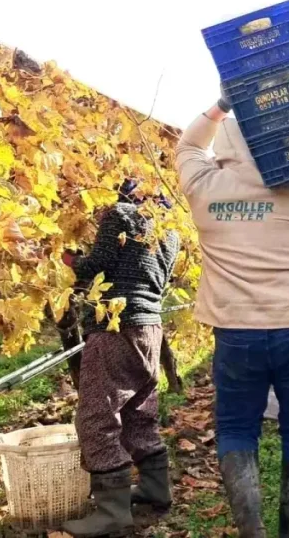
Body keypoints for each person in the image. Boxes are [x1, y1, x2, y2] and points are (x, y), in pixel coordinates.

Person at [175, 99, 289, 538]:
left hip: (236, 332)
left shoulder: (204, 183)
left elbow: (187, 144)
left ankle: (252, 531)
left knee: (237, 427)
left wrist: (220, 107)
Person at [61, 179, 180, 538]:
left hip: (115, 325)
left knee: (97, 415)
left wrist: (64, 258)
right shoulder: (169, 230)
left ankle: (112, 511)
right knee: (137, 408)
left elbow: (95, 265)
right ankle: (156, 488)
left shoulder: (120, 214)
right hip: (150, 327)